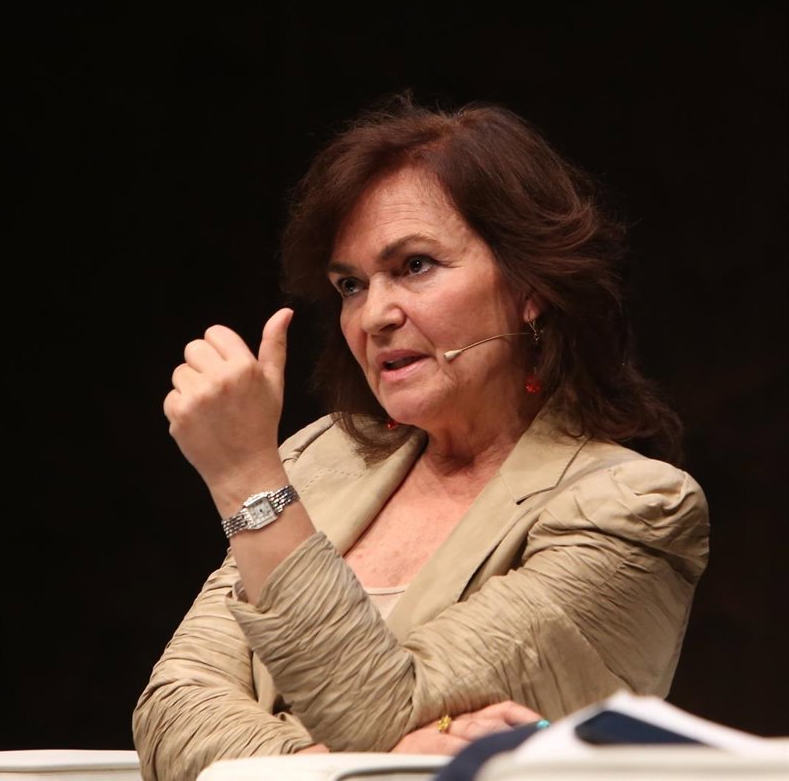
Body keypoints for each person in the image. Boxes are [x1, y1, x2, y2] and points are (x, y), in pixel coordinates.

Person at [130, 94, 710, 781]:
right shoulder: (319, 460)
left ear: (529, 286)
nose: (373, 316)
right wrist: (327, 764)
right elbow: (169, 711)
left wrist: (246, 479)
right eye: (350, 285)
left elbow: (379, 709)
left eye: (415, 266)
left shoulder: (636, 510)